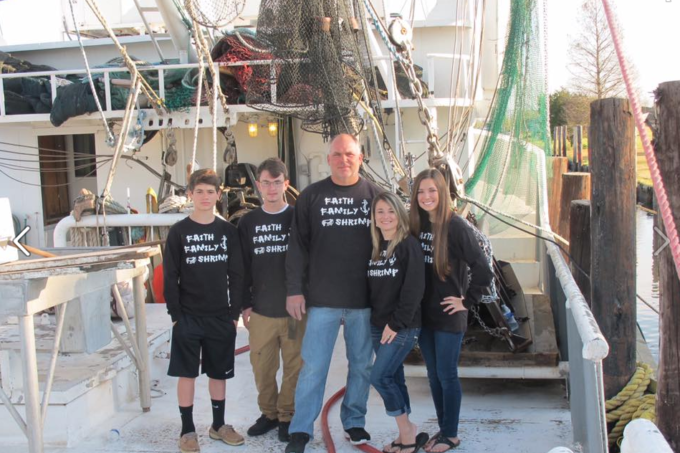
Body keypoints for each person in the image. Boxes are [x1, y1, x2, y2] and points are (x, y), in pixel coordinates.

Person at [284, 133, 383, 453]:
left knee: (362, 366)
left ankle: (354, 421)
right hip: (322, 300)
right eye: (337, 154)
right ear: (328, 159)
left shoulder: (376, 196)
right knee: (313, 367)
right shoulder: (311, 196)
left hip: (363, 301)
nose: (344, 160)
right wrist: (294, 291)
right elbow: (297, 247)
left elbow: (394, 246)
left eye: (350, 154)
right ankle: (301, 428)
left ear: (361, 157)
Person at [409, 169, 494, 453]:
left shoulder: (455, 227)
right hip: (424, 315)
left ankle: (452, 434)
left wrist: (467, 301)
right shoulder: (417, 225)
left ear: (443, 193)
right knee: (433, 375)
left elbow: (483, 268)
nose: (426, 196)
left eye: (432, 190)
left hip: (448, 314)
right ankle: (443, 429)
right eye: (421, 191)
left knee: (447, 374)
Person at [163, 169, 245, 453]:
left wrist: (233, 315)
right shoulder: (179, 232)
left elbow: (237, 276)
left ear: (218, 195)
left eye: (211, 192)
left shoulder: (228, 232)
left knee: (218, 374)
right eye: (199, 191)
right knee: (187, 374)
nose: (205, 196)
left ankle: (218, 425)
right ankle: (187, 430)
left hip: (220, 316)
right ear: (190, 194)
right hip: (187, 316)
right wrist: (176, 316)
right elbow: (170, 276)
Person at [238, 158, 304, 442]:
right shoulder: (248, 222)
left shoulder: (298, 218)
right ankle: (269, 414)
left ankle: (287, 416)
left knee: (293, 366)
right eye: (266, 182)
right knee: (263, 367)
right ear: (258, 186)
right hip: (262, 310)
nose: (272, 188)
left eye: (277, 182)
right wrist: (245, 304)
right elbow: (241, 267)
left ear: (286, 184)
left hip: (294, 311)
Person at [367, 192, 429, 453]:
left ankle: (407, 432)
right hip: (377, 324)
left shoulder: (408, 245)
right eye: (380, 212)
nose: (386, 216)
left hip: (402, 326)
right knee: (394, 376)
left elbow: (414, 289)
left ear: (399, 215)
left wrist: (396, 323)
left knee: (379, 377)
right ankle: (407, 428)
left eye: (391, 211)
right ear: (374, 218)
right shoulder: (375, 247)